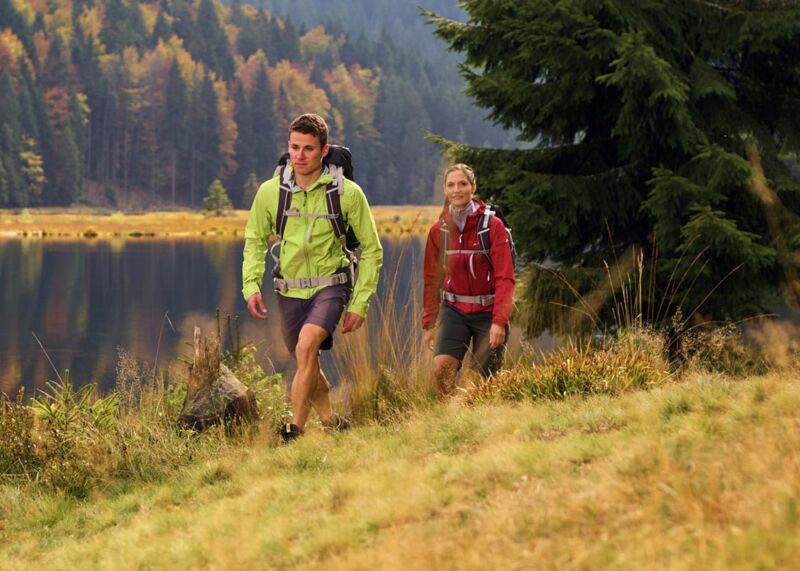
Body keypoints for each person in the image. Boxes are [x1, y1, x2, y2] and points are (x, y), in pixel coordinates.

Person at [242, 113, 383, 442]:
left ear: (323, 151)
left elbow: (373, 251)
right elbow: (254, 241)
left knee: (306, 349)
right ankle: (332, 421)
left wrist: (360, 303)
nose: (299, 155)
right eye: (294, 147)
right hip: (288, 290)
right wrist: (251, 285)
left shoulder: (347, 193)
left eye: (308, 149)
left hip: (331, 286)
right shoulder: (269, 192)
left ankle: (295, 430)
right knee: (307, 361)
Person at [422, 164, 515, 398]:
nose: (457, 190)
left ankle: (489, 421)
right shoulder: (438, 231)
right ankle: (456, 418)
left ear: (473, 187)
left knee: (490, 380)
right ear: (445, 190)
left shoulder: (492, 226)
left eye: (462, 184)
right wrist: (429, 324)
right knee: (442, 370)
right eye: (451, 185)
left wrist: (499, 321)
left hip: (488, 310)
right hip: (454, 310)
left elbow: (505, 277)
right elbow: (432, 280)